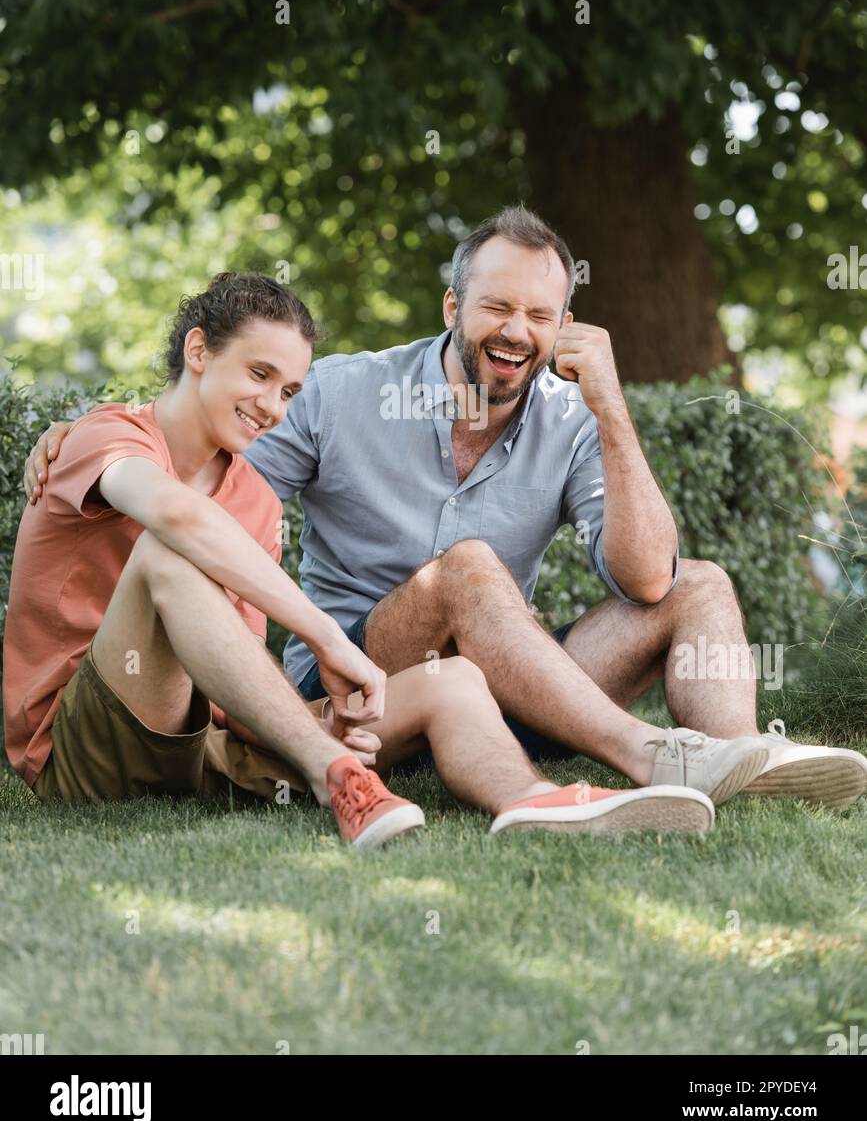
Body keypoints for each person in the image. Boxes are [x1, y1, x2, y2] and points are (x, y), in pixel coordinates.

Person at [6, 271, 718, 844]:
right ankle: (338, 779)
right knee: (172, 552)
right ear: (198, 352)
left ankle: (533, 798)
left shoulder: (250, 495)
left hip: (199, 750)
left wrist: (318, 717)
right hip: (81, 748)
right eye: (257, 374)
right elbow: (175, 516)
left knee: (453, 677)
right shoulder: (104, 440)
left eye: (288, 390)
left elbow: (236, 670)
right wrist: (320, 637)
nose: (273, 406)